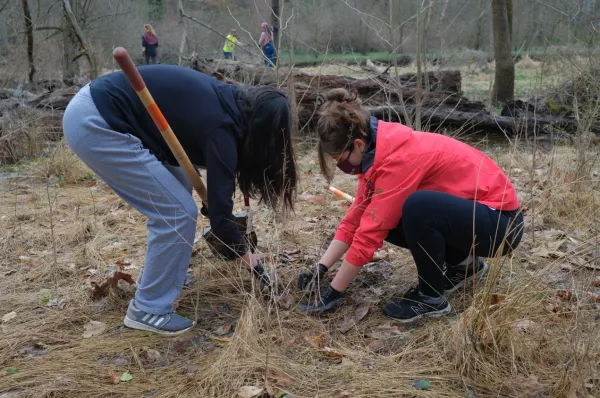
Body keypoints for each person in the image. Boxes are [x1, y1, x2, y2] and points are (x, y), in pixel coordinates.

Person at [62, 64, 297, 335]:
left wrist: (221, 212)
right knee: (176, 212)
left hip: (107, 110)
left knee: (180, 186)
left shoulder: (229, 105)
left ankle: (167, 275)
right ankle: (148, 309)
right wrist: (248, 257)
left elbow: (218, 203)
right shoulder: (222, 128)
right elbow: (220, 220)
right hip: (96, 121)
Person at [296, 88, 524, 323]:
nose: (341, 167)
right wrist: (320, 269)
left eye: (340, 160)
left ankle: (431, 298)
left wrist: (334, 293)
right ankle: (464, 266)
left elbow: (369, 234)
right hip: (475, 216)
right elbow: (357, 217)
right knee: (392, 215)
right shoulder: (377, 152)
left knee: (416, 207)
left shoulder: (399, 159)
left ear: (358, 145)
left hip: (502, 225)